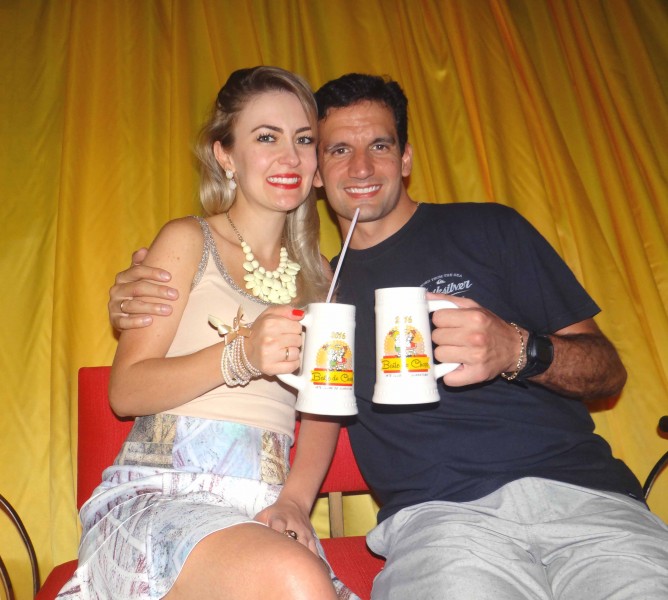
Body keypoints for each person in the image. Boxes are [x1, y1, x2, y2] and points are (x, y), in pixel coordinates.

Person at [108, 73, 668, 599]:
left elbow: (607, 373)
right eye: (336, 148)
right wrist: (231, 345)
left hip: (587, 500)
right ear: (318, 172)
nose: (360, 166)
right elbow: (139, 384)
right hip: (441, 520)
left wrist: (516, 348)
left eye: (378, 145)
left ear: (405, 158)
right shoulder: (327, 286)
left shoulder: (479, 231)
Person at [59, 66, 359, 600]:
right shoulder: (186, 240)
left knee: (300, 581)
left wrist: (294, 500)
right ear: (225, 155)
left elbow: (324, 407)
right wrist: (240, 354)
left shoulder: (321, 276)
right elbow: (126, 392)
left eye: (303, 140)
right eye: (265, 137)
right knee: (296, 582)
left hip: (263, 508)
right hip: (161, 496)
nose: (289, 157)